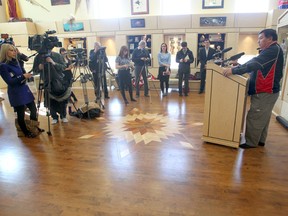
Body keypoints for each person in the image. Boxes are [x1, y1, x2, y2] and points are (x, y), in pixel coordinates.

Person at [223, 29, 283, 149]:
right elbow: (254, 64)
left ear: (270, 38)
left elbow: (254, 63)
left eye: (261, 38)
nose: (258, 41)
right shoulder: (271, 50)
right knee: (263, 117)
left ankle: (251, 142)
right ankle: (260, 140)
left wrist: (233, 70)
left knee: (255, 116)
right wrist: (239, 66)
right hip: (267, 91)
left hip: (265, 91)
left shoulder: (272, 50)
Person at [0, 44, 39, 138]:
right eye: (11, 50)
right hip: (16, 92)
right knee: (21, 113)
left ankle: (33, 127)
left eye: (14, 50)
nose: (14, 52)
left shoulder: (16, 62)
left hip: (24, 89)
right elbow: (10, 81)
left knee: (33, 109)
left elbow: (21, 74)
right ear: (6, 52)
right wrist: (22, 76)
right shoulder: (3, 66)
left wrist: (26, 75)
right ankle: (25, 132)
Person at [33, 48, 69, 124]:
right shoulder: (38, 57)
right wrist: (39, 68)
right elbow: (34, 70)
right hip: (47, 82)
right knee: (50, 100)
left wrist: (53, 63)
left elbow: (63, 67)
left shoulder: (57, 55)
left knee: (61, 100)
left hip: (58, 81)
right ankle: (54, 116)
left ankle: (63, 116)